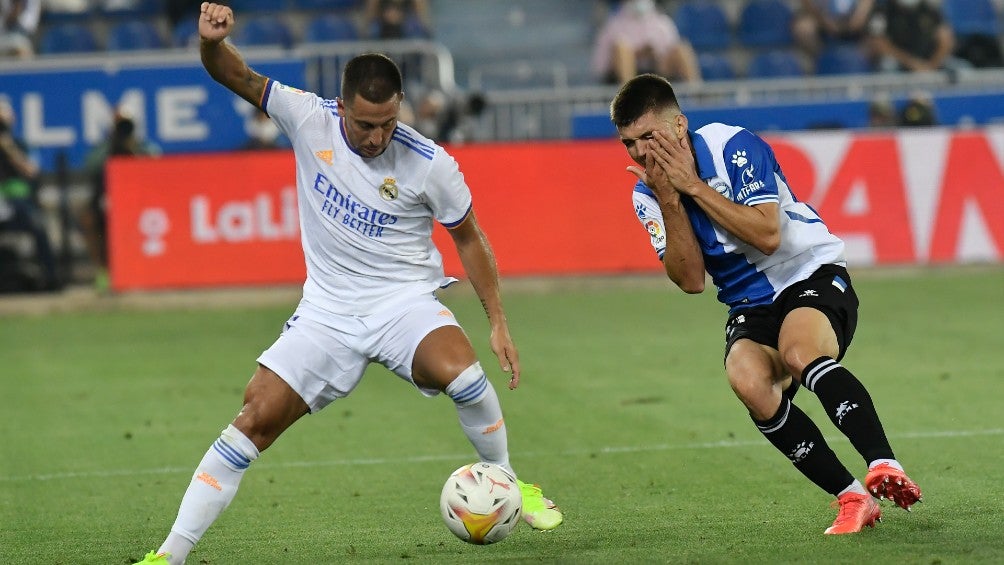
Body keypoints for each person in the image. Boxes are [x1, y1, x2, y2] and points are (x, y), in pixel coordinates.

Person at [132, 3, 563, 564]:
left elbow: (470, 239)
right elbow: (233, 73)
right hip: (326, 313)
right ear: (342, 108)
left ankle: (508, 482)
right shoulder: (306, 116)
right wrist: (212, 44)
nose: (377, 135)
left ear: (399, 108)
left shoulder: (430, 163)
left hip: (403, 304)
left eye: (387, 122)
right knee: (252, 421)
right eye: (364, 124)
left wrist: (498, 322)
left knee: (466, 375)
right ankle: (169, 556)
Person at [608, 74, 922, 535]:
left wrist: (692, 186)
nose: (639, 153)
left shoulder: (733, 146)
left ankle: (884, 463)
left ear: (679, 126)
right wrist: (671, 199)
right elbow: (691, 280)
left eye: (647, 137)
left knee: (799, 354)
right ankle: (853, 497)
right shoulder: (646, 196)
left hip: (808, 272)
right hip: (749, 303)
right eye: (628, 143)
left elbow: (768, 236)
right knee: (747, 379)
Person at [81, 108, 160, 291]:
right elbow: (91, 164)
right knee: (89, 220)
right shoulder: (105, 147)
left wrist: (132, 148)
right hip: (107, 200)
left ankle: (145, 270)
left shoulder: (142, 146)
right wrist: (112, 142)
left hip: (141, 202)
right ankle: (104, 270)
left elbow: (156, 163)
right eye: (119, 125)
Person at [0, 97, 60, 291]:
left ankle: (50, 278)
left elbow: (32, 171)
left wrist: (9, 149)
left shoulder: (21, 144)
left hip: (19, 203)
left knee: (38, 225)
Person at [591, 0, 701, 86]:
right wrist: (634, 55)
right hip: (625, 77)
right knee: (622, 49)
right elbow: (600, 67)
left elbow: (670, 54)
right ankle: (628, 101)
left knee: (682, 48)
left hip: (658, 71)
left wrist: (654, 54)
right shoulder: (612, 25)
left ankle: (697, 96)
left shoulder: (663, 22)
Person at [866, 0, 965, 73]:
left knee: (962, 68)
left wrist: (930, 67)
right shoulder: (882, 10)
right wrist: (912, 63)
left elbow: (946, 40)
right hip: (900, 62)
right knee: (887, 65)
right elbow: (878, 43)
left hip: (929, 62)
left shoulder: (929, 9)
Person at [792, 0, 875, 60]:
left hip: (857, 30)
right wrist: (825, 21)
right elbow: (809, 4)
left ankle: (866, 67)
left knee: (876, 28)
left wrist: (855, 22)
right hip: (824, 26)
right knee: (804, 28)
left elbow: (860, 18)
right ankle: (822, 62)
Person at [363, 0, 431, 39]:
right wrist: (384, 16)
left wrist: (401, 18)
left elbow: (420, 15)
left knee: (415, 30)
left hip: (406, 23)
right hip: (383, 24)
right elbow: (371, 14)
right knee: (373, 29)